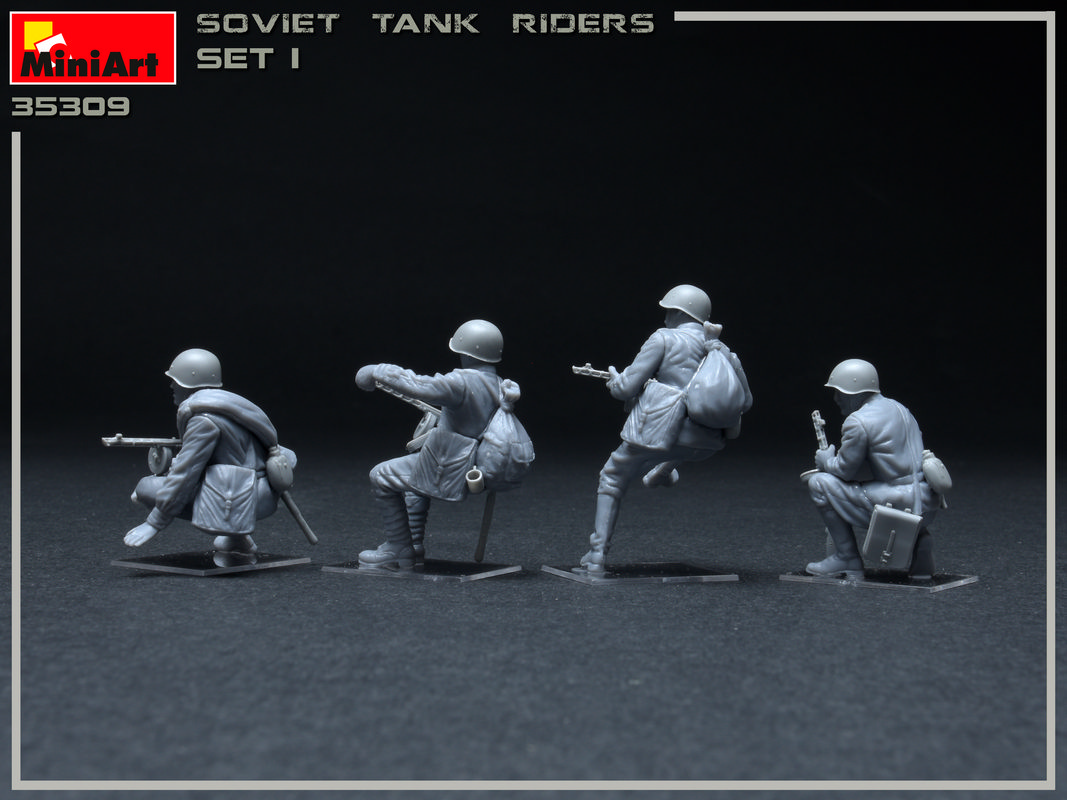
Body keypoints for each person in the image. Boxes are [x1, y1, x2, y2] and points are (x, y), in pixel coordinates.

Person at [580, 284, 751, 574]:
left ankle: (597, 554)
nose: (665, 317)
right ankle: (663, 471)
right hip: (708, 442)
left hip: (661, 433)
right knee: (675, 450)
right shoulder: (723, 351)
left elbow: (625, 389)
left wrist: (615, 381)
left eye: (669, 311)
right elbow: (745, 401)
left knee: (612, 476)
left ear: (679, 313)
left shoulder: (663, 338)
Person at [354, 319, 519, 569]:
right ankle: (413, 546)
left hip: (451, 464)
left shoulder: (461, 382)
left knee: (380, 476)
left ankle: (397, 547)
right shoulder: (498, 384)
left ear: (465, 351)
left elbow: (420, 385)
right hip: (472, 462)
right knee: (413, 485)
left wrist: (377, 371)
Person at [125, 348, 296, 554]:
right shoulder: (233, 409)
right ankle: (237, 540)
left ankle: (232, 531)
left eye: (176, 381)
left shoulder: (203, 422)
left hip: (242, 501)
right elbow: (227, 460)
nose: (172, 386)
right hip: (261, 492)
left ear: (188, 383)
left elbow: (185, 475)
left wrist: (154, 522)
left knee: (145, 487)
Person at [805, 359, 939, 580]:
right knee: (879, 485)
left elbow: (844, 470)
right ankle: (920, 546)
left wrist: (826, 460)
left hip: (898, 503)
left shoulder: (858, 421)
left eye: (840, 392)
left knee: (818, 484)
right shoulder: (901, 409)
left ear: (855, 393)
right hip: (926, 499)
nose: (836, 399)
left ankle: (846, 557)